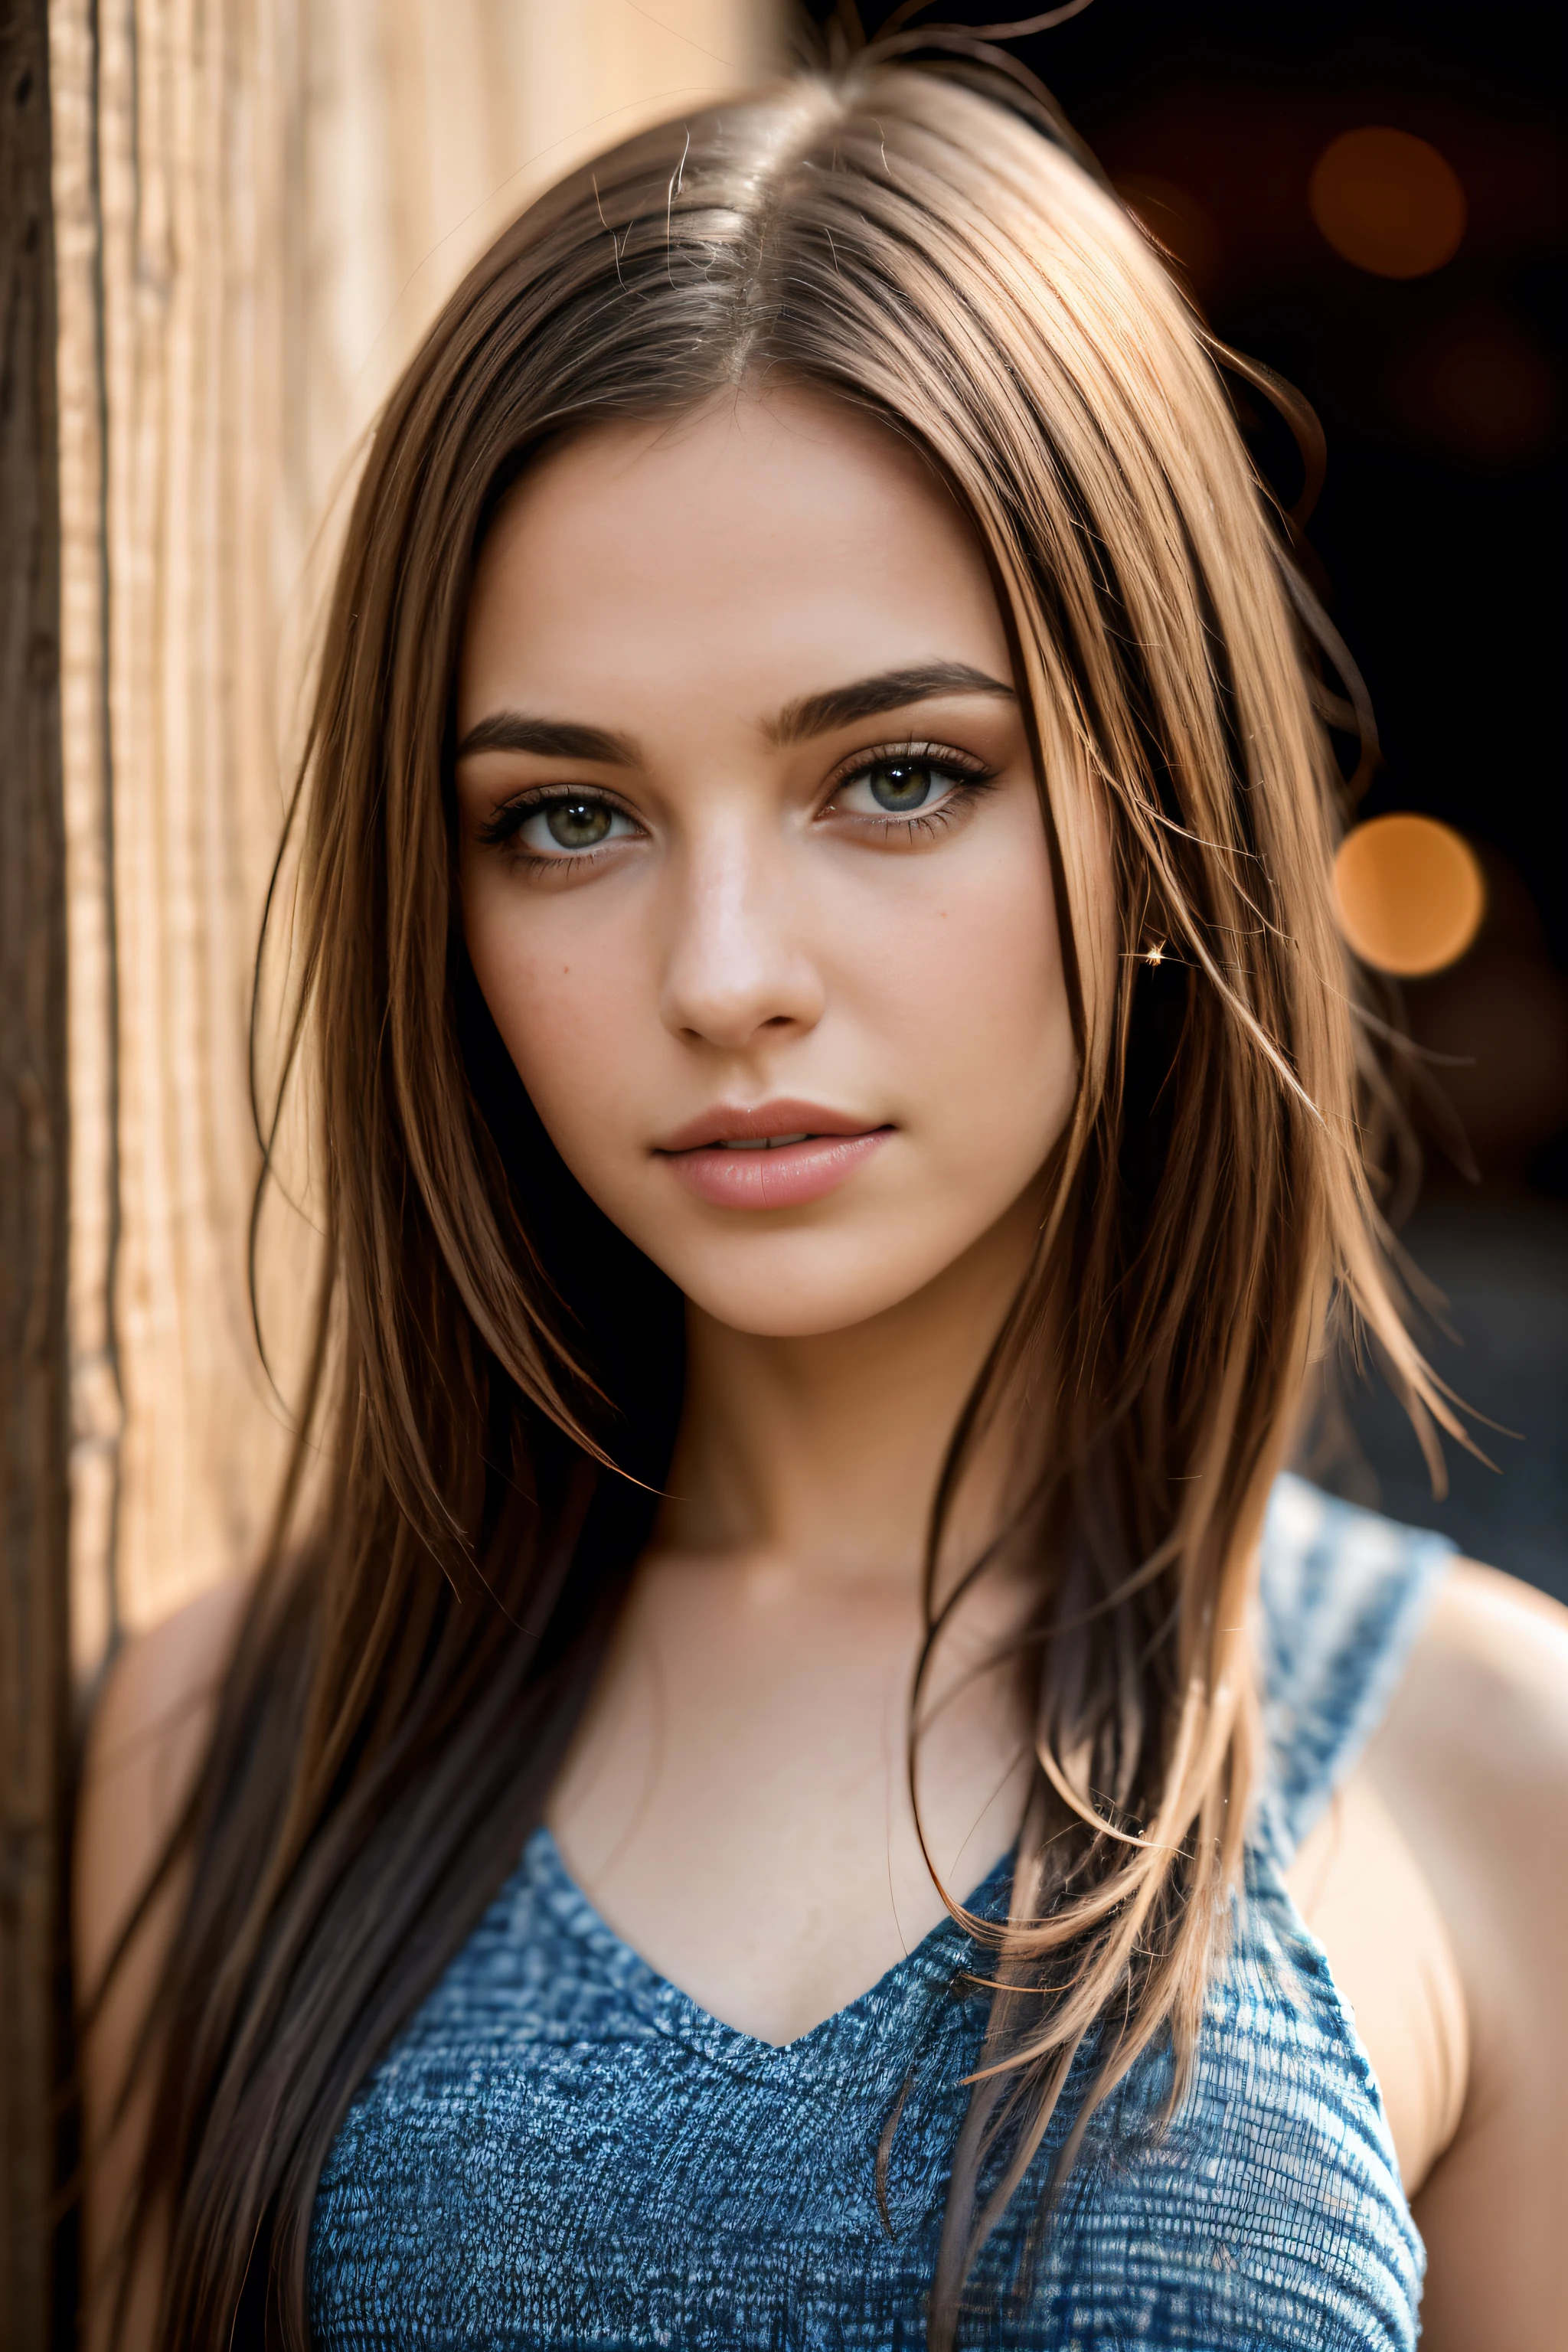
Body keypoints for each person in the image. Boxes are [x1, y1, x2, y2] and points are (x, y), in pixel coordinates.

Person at [76, 47, 1568, 2352]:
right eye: (567, 816)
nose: (725, 977)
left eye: (896, 776)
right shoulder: (229, 1750)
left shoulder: (1500, 1771)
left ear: (1157, 811)